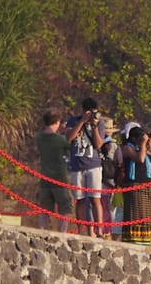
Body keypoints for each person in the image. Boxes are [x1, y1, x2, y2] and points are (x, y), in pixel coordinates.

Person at [64, 98, 105, 235]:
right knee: (80, 199)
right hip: (77, 166)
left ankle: (99, 229)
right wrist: (82, 121)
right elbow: (68, 138)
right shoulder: (73, 121)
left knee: (95, 199)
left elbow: (99, 144)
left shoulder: (100, 123)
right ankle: (81, 230)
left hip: (93, 165)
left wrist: (94, 126)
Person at [119, 121, 151, 244]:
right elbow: (140, 159)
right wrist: (142, 144)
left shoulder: (141, 148)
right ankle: (135, 239)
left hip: (146, 184)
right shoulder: (127, 148)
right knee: (136, 212)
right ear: (134, 138)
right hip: (134, 184)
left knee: (146, 214)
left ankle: (147, 239)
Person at [34, 109, 72, 232]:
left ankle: (41, 231)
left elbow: (49, 136)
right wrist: (65, 132)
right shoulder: (60, 139)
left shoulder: (39, 137)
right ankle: (62, 234)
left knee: (45, 209)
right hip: (59, 177)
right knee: (64, 208)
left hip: (45, 177)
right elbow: (68, 145)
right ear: (57, 122)